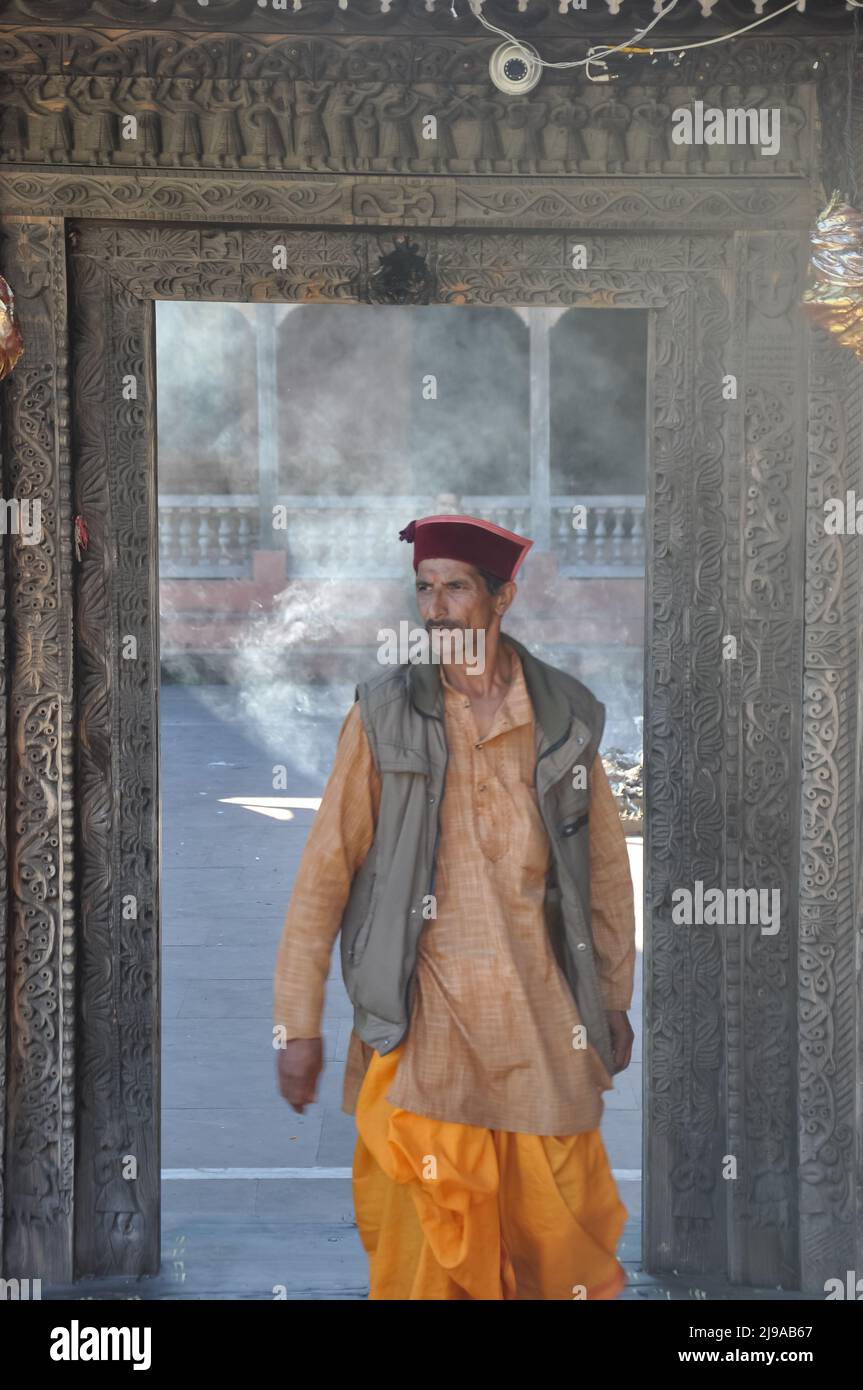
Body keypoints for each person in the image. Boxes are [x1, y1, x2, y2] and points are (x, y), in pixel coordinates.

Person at [273, 513, 636, 1300]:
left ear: (501, 598)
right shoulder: (383, 714)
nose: (435, 609)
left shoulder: (563, 719)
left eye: (455, 589)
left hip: (543, 1022)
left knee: (554, 1244)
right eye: (424, 590)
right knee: (428, 1252)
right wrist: (298, 1024)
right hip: (424, 1026)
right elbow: (324, 874)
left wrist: (611, 999)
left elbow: (604, 875)